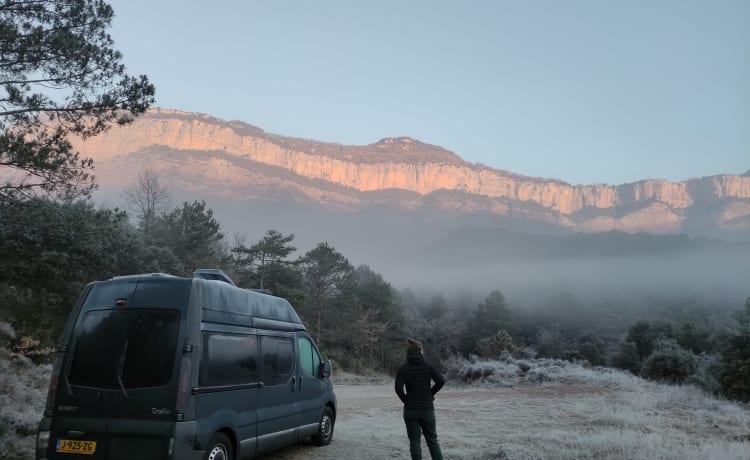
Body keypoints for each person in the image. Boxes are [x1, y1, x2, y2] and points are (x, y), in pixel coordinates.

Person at [395, 338, 445, 460]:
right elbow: (441, 381)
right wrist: (430, 394)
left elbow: (398, 389)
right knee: (432, 440)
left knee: (414, 442)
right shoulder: (428, 366)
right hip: (427, 409)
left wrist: (406, 400)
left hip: (410, 410)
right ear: (420, 351)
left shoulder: (403, 368)